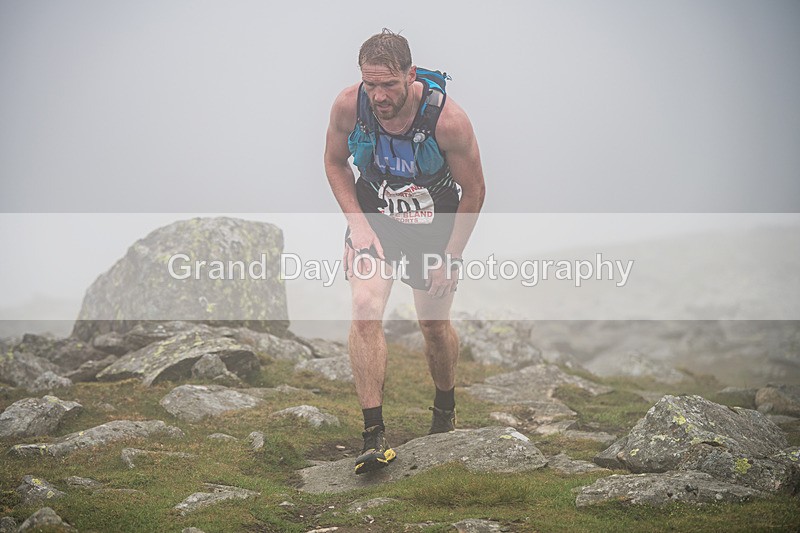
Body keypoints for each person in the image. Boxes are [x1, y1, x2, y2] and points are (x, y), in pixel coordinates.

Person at [323, 29, 485, 475]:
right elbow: (334, 162)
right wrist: (357, 224)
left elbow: (474, 191)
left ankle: (444, 411)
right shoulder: (348, 106)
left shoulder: (448, 121)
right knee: (364, 307)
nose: (378, 96)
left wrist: (452, 256)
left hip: (434, 228)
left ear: (411, 75)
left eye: (389, 85)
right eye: (370, 84)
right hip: (376, 220)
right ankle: (373, 436)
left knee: (433, 325)